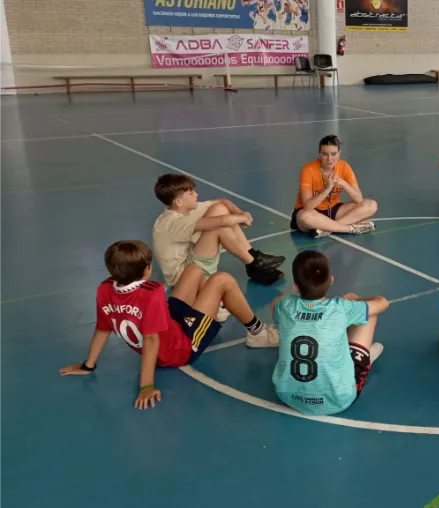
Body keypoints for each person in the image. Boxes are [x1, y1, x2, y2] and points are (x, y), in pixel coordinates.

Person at [59, 240, 279, 410]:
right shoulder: (151, 292)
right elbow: (151, 339)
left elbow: (103, 327)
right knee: (223, 279)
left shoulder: (105, 288)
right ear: (147, 269)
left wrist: (88, 365)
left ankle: (215, 306)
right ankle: (257, 332)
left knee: (194, 270)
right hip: (181, 348)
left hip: (169, 328)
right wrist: (146, 385)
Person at [271, 250, 390, 416]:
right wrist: (355, 299)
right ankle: (363, 357)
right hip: (337, 400)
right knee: (368, 314)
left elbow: (276, 302)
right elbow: (382, 303)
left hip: (288, 396)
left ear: (295, 286)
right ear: (331, 280)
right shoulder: (340, 308)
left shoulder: (284, 306)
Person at [152, 173, 285, 292]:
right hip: (183, 277)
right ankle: (254, 265)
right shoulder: (172, 223)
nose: (196, 194)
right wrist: (242, 218)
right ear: (179, 201)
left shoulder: (181, 209)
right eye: (191, 193)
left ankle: (254, 256)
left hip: (189, 261)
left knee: (219, 208)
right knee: (219, 227)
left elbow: (223, 202)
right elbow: (222, 221)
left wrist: (239, 213)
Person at [290, 135, 377, 238]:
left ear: (339, 153)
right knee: (304, 217)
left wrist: (343, 183)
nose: (329, 159)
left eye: (333, 154)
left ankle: (326, 228)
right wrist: (327, 189)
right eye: (324, 154)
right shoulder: (308, 169)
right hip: (312, 212)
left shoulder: (344, 167)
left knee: (371, 205)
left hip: (333, 211)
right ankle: (350, 229)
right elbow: (307, 206)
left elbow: (358, 199)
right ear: (319, 154)